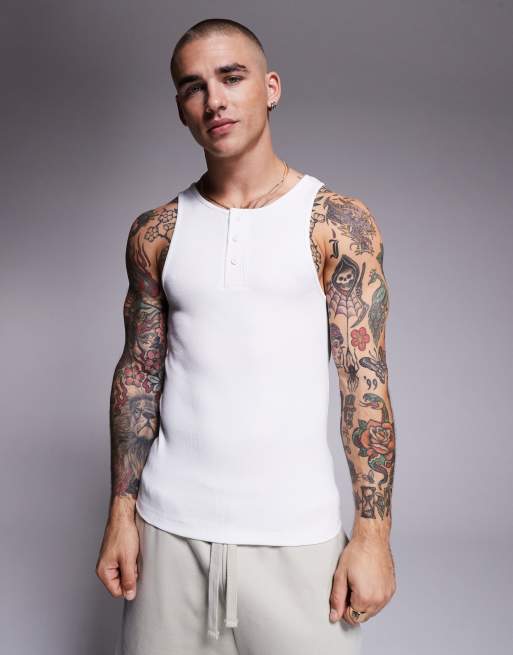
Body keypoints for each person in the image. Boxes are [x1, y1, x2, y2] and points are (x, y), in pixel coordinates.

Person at [95, 18, 397, 655]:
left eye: (231, 77)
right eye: (194, 87)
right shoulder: (156, 233)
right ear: (181, 108)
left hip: (298, 540)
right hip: (167, 536)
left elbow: (363, 384)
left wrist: (373, 536)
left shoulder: (335, 224)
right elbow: (139, 375)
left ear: (271, 87)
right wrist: (121, 513)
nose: (215, 100)